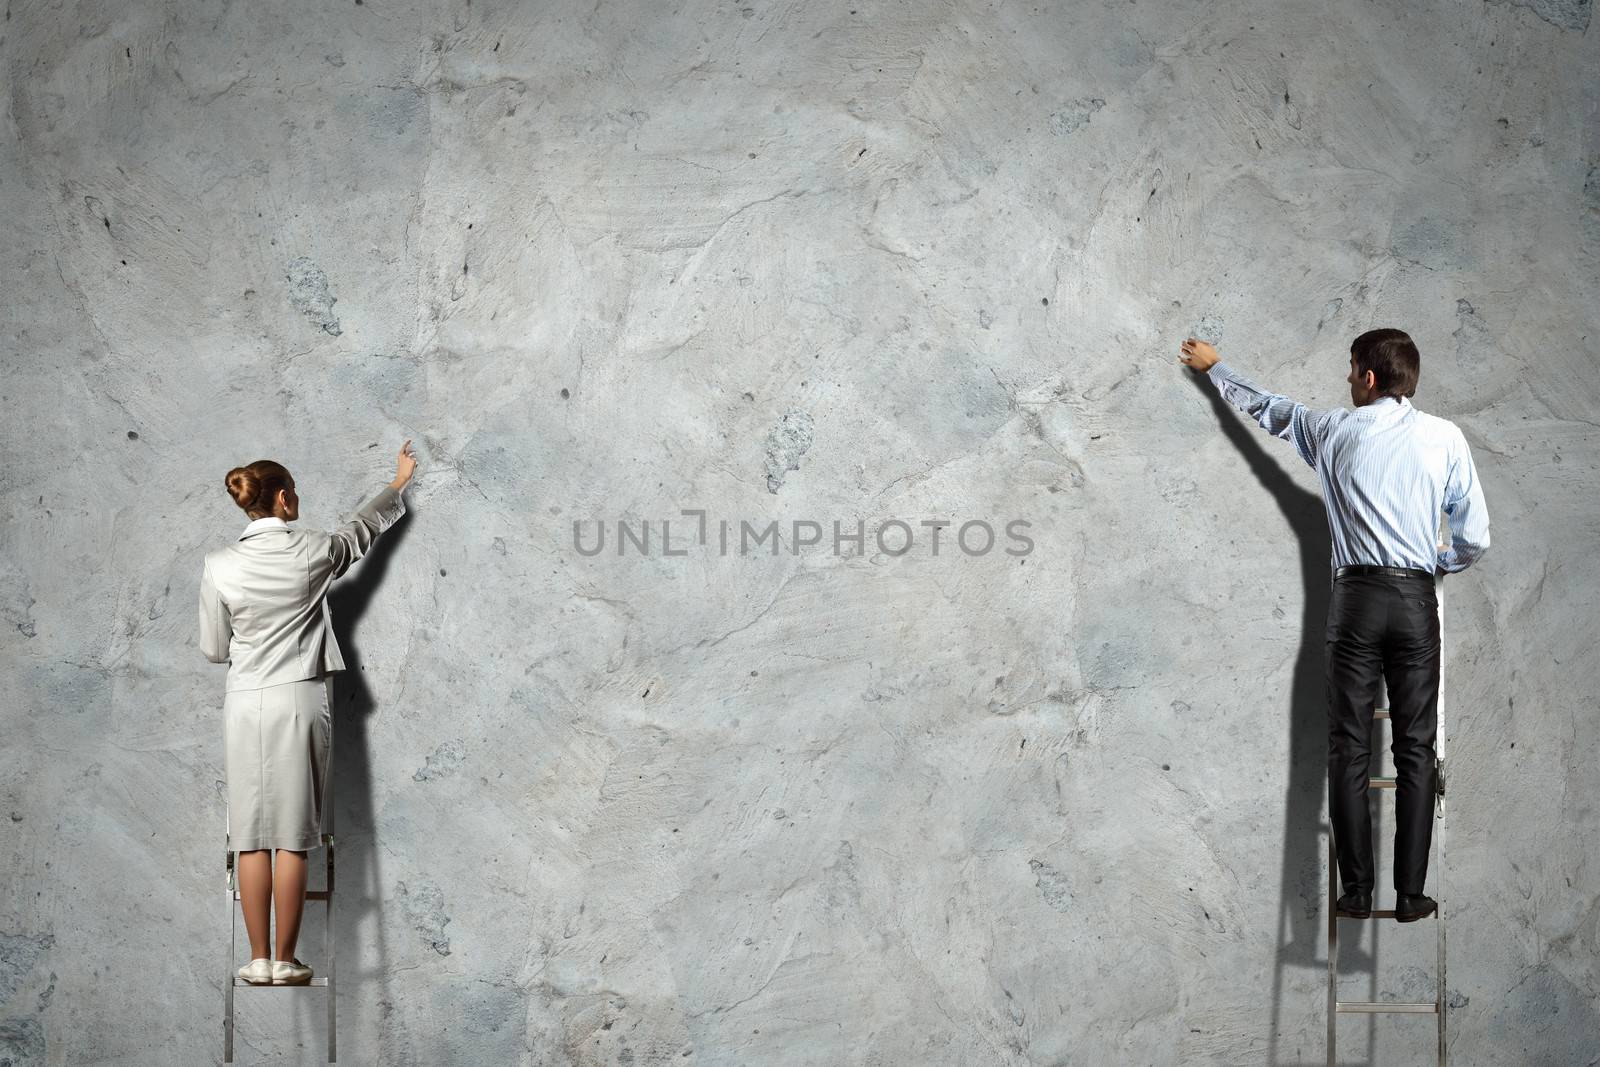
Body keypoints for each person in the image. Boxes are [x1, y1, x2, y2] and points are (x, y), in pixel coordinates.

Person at [1179, 330, 1489, 923]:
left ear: (1369, 378)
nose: (1348, 380)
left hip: (1354, 602)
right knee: (1416, 751)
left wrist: (1217, 368)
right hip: (1415, 599)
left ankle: (1355, 892)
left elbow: (1270, 412)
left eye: (1351, 371)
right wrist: (1432, 561)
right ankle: (1411, 894)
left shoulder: (1334, 432)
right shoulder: (1445, 437)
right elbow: (1476, 538)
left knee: (1348, 748)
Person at [199, 442, 417, 984]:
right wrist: (397, 485)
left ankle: (255, 958)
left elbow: (213, 648)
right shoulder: (313, 550)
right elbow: (359, 534)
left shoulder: (219, 565)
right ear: (282, 498)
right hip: (297, 697)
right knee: (294, 832)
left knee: (249, 833)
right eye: (292, 491)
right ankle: (285, 959)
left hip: (245, 700)